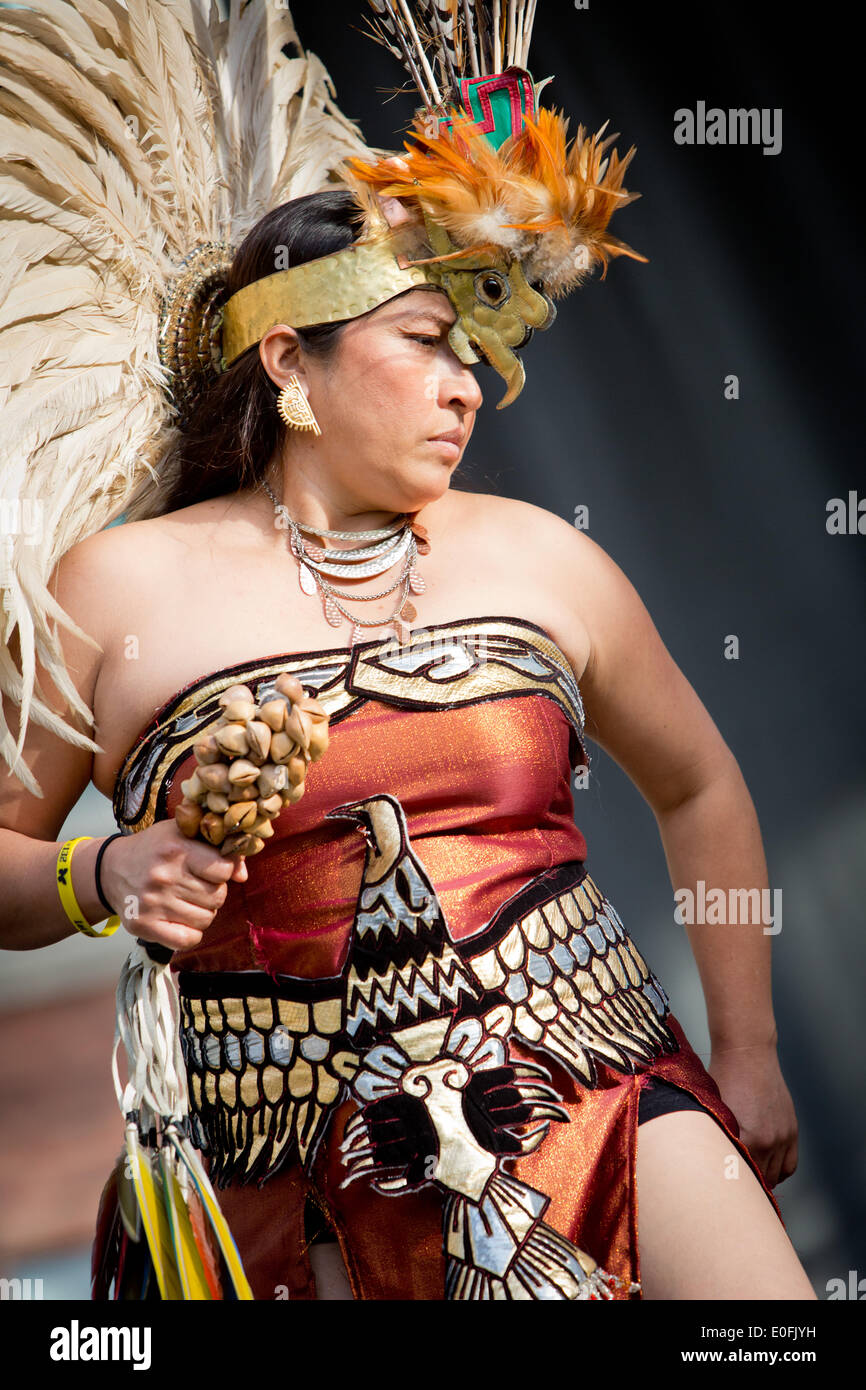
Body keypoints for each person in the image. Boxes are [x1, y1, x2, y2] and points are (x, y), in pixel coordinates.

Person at [0, 1, 815, 1300]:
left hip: (594, 1081)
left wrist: (750, 1050)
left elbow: (700, 785)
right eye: (428, 346)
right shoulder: (118, 587)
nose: (466, 387)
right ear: (291, 363)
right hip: (272, 1165)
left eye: (473, 356)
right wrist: (106, 866)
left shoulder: (540, 556)